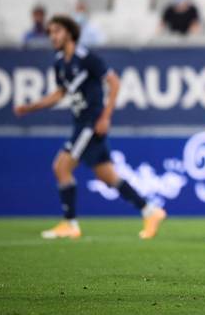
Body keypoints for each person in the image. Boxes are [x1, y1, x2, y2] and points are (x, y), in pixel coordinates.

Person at [13, 15, 166, 240]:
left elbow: (114, 82)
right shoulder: (60, 63)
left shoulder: (86, 58)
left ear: (69, 32)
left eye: (57, 31)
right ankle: (150, 211)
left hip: (90, 124)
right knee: (107, 176)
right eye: (50, 33)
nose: (53, 36)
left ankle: (70, 224)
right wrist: (32, 107)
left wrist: (105, 117)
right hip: (81, 122)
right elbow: (60, 93)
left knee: (61, 167)